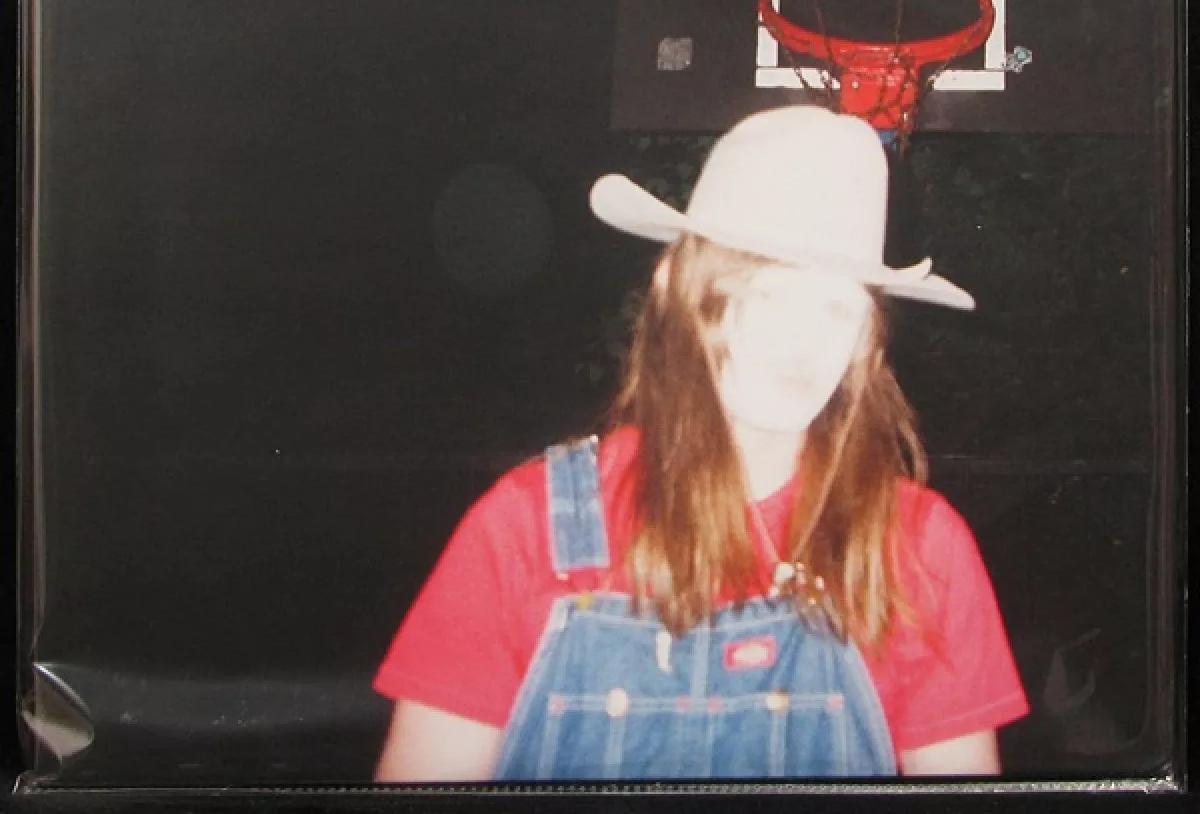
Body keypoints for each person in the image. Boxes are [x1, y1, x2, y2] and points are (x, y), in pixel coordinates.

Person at [372, 106, 1028, 781]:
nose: (803, 342)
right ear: (680, 295)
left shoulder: (919, 548)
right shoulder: (527, 526)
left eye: (837, 309)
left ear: (866, 341)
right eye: (768, 296)